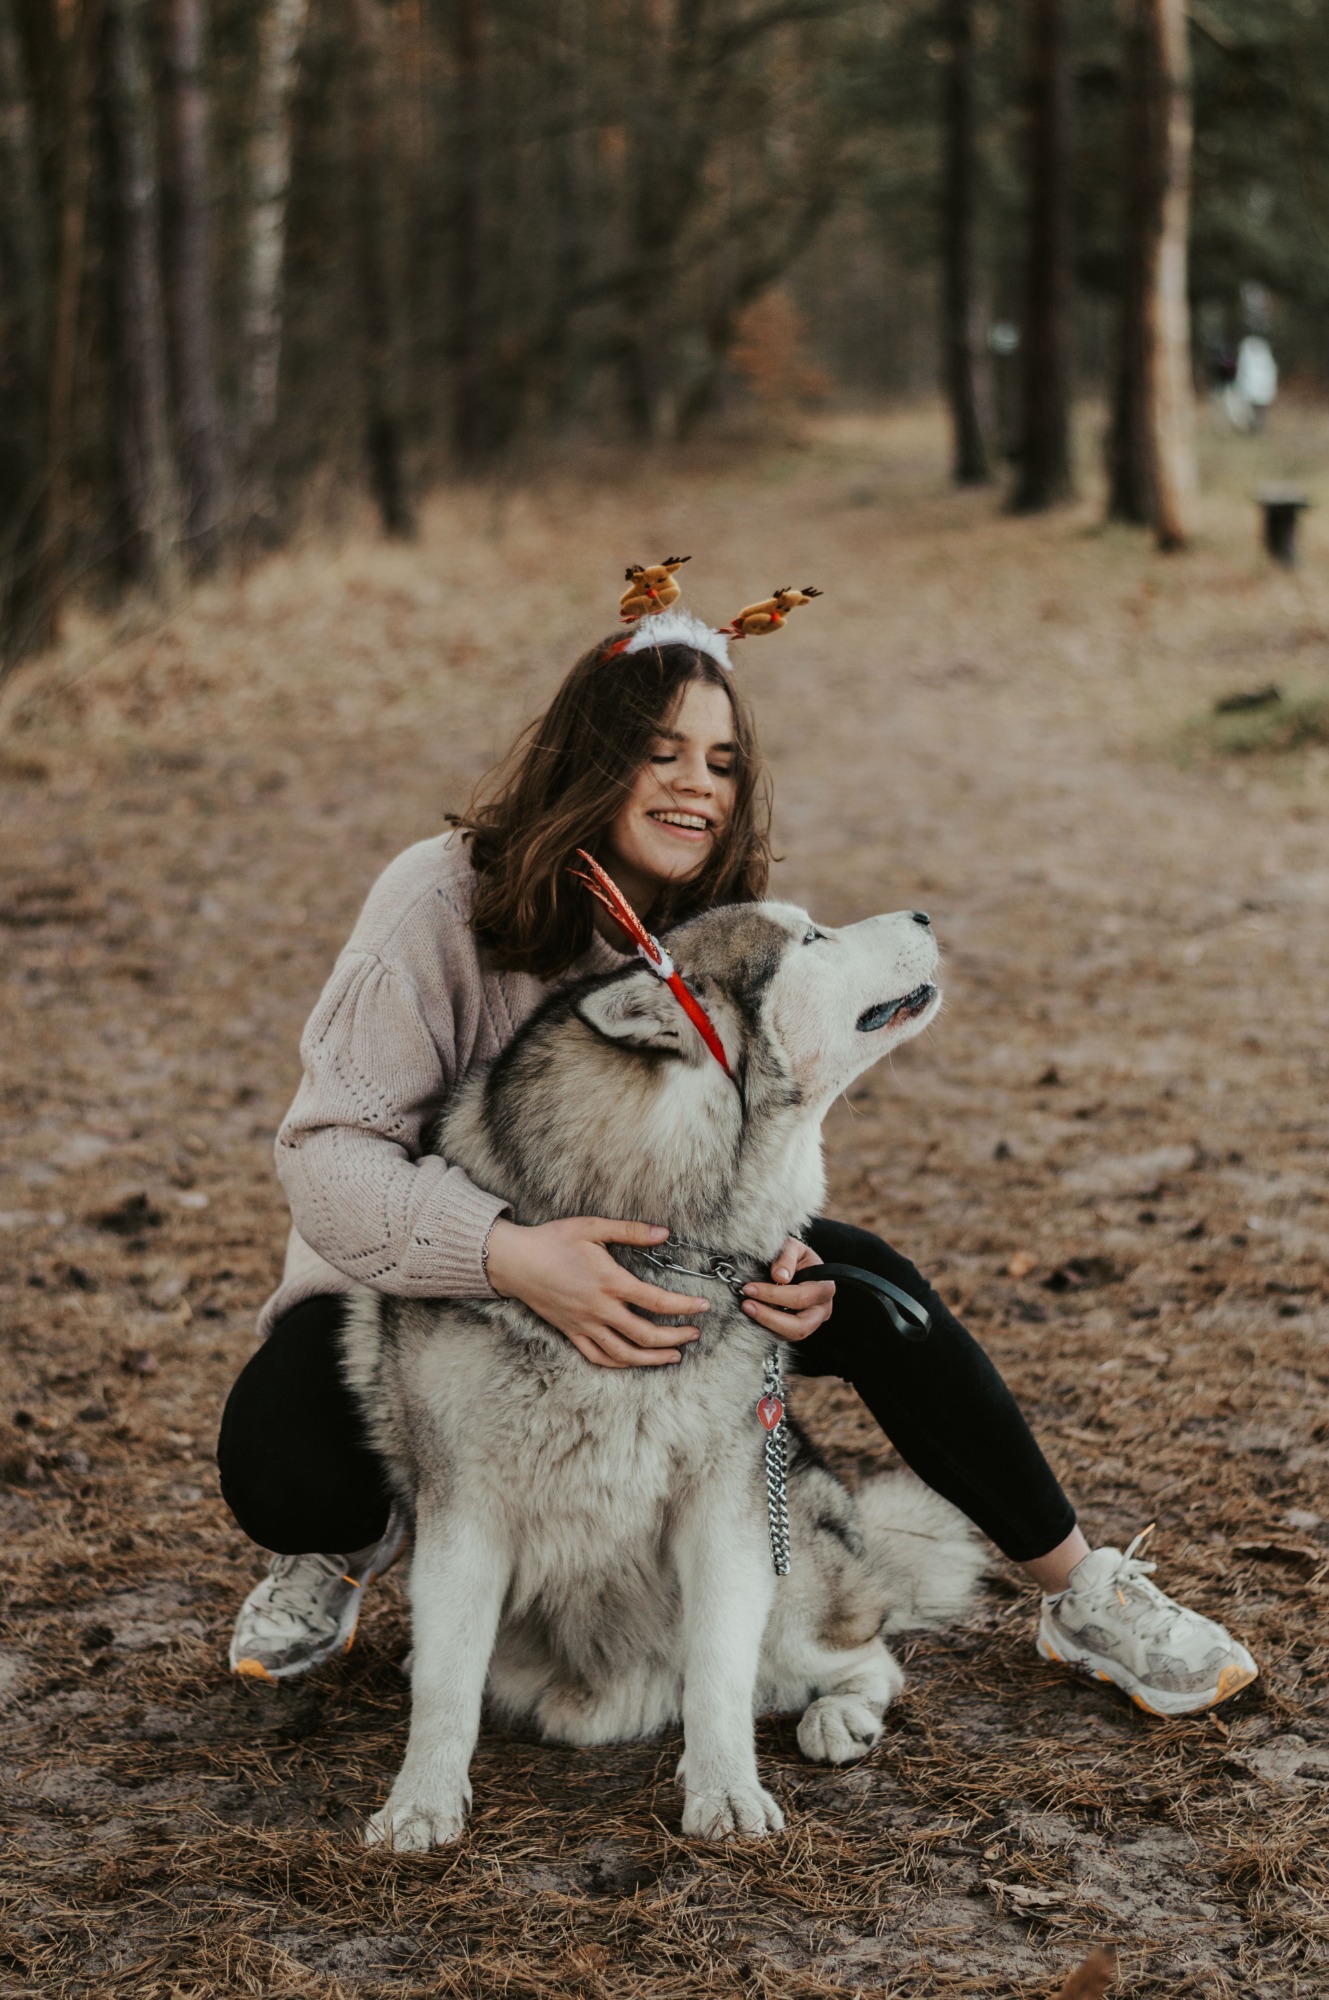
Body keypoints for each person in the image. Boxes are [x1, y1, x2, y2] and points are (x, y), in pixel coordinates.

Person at [217, 591, 1258, 1721]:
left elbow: (761, 1142)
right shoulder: (439, 896)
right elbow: (326, 1154)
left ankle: (1080, 1590)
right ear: (587, 759)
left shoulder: (724, 922)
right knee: (283, 1460)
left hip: (670, 1274)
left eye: (720, 761)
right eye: (657, 752)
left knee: (881, 1298)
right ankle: (348, 1543)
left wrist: (782, 1253)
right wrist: (507, 1253)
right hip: (438, 1298)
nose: (694, 784)